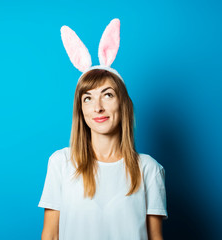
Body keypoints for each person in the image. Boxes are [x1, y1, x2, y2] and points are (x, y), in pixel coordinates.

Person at [38, 18, 168, 240]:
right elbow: (50, 235)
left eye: (107, 95)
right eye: (88, 99)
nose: (97, 107)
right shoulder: (61, 163)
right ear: (81, 110)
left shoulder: (149, 170)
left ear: (123, 104)